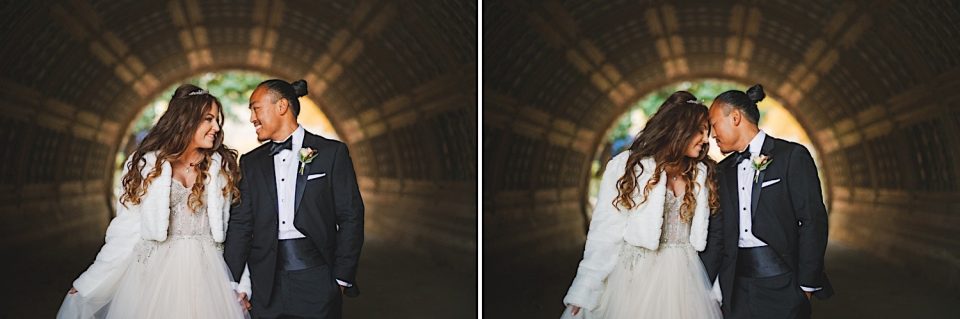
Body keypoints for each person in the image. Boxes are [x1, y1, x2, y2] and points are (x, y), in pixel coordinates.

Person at [57, 84, 250, 318]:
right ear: (185, 120)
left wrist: (241, 283)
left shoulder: (222, 168)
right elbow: (125, 232)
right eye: (208, 119)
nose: (216, 128)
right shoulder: (146, 165)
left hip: (210, 276)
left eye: (217, 120)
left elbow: (238, 231)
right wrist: (89, 283)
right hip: (153, 277)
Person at [561, 91, 722, 319]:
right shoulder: (629, 167)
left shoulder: (701, 173)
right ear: (679, 128)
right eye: (700, 130)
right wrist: (585, 288)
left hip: (686, 276)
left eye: (708, 131)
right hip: (634, 277)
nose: (706, 139)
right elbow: (605, 232)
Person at [223, 79, 364, 319]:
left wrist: (341, 279)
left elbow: (351, 216)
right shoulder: (250, 162)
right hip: (265, 286)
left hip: (317, 280)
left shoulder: (332, 153)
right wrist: (232, 282)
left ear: (282, 106)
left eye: (256, 108)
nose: (252, 118)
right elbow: (241, 225)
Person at [700, 84, 833, 319]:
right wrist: (702, 285)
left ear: (735, 117)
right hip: (735, 291)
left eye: (714, 124)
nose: (712, 135)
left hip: (784, 285)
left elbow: (813, 221)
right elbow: (717, 235)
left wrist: (806, 287)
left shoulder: (792, 156)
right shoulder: (721, 171)